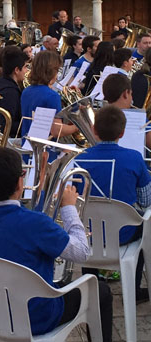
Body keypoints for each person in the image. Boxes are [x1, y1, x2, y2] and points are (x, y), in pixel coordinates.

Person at [0, 146, 113, 341]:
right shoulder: (36, 224)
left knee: (63, 282)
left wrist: (41, 181)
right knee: (101, 291)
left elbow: (21, 227)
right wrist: (69, 208)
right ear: (19, 183)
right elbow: (82, 252)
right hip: (38, 317)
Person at [75, 105, 151, 304]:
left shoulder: (78, 159)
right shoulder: (134, 158)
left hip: (89, 234)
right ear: (123, 133)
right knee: (144, 228)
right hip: (123, 234)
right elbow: (146, 201)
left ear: (94, 130)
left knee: (86, 220)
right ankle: (133, 289)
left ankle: (90, 284)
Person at [21, 51, 78, 144]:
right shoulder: (52, 96)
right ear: (52, 71)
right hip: (46, 151)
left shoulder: (26, 91)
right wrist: (76, 127)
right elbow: (56, 131)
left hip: (28, 145)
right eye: (58, 71)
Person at [0, 47, 29, 137]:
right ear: (17, 70)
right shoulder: (10, 92)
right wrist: (30, 125)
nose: (27, 71)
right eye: (25, 67)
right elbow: (6, 124)